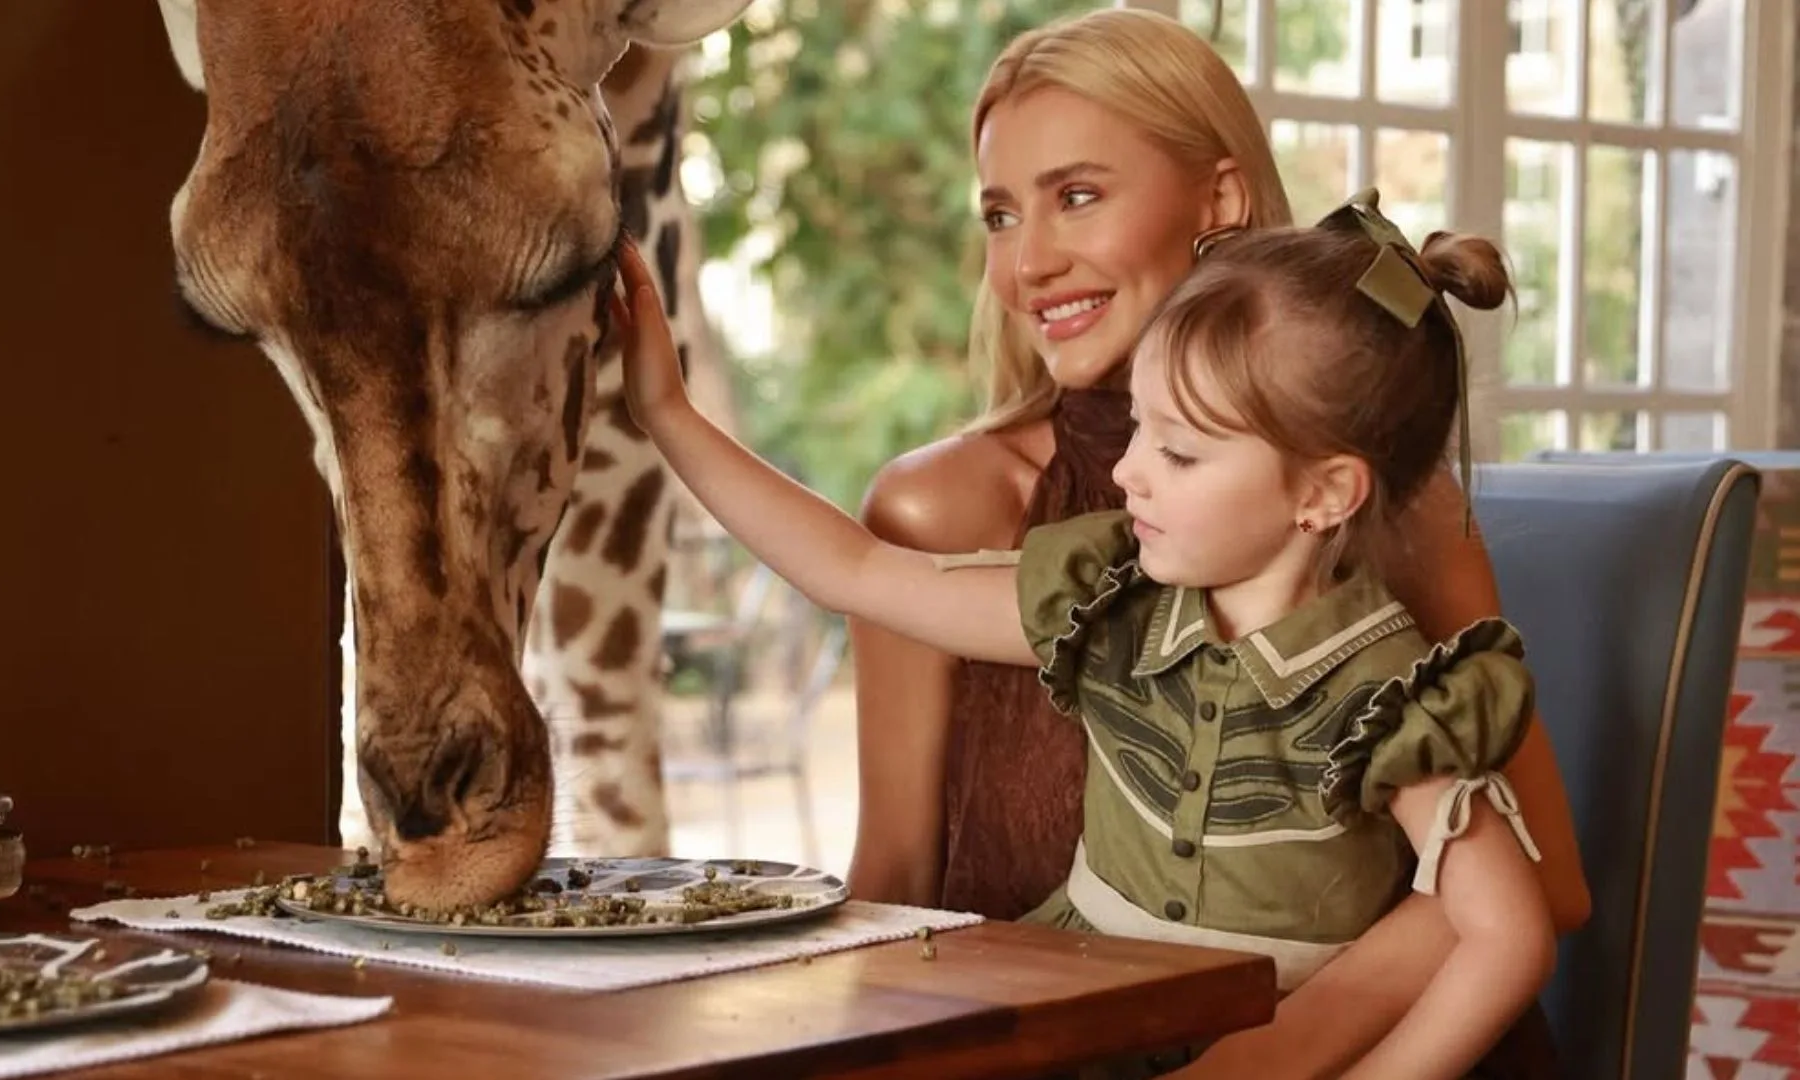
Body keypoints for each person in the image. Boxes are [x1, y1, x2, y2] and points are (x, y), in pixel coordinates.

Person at [611, 189, 1555, 1079]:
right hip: (1066, 1030)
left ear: (1323, 493)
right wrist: (667, 414)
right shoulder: (1109, 604)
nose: (1132, 472)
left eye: (1180, 451)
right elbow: (854, 570)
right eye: (1140, 427)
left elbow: (1510, 933)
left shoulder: (1396, 696)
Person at [839, 10, 1587, 1077]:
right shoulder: (936, 510)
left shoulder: (1391, 502)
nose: (1028, 262)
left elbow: (1544, 883)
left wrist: (1264, 1061)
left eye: (1078, 196)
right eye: (1000, 214)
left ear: (1221, 201)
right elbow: (895, 878)